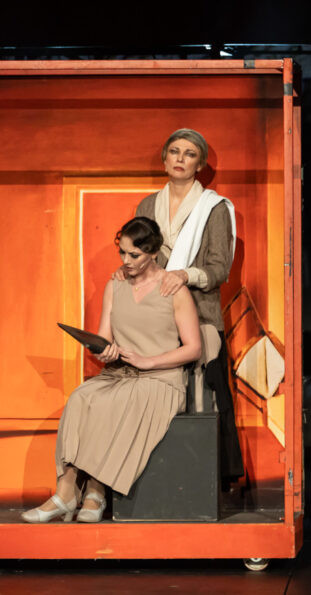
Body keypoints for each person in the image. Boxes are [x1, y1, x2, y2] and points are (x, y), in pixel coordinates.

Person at [22, 217, 201, 523]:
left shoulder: (174, 290)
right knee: (81, 397)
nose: (126, 261)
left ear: (153, 253)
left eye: (134, 255)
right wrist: (103, 350)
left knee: (114, 402)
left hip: (161, 380)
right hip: (121, 374)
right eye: (122, 253)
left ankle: (95, 492)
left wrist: (148, 361)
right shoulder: (115, 285)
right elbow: (104, 336)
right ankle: (66, 492)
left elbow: (193, 348)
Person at [123, 128, 244, 485]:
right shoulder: (148, 206)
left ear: (200, 164)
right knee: (155, 398)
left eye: (189, 154)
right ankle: (157, 481)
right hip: (156, 316)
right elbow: (138, 255)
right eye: (174, 151)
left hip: (200, 312)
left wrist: (184, 274)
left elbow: (219, 269)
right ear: (164, 159)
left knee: (204, 397)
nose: (180, 158)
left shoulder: (214, 208)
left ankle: (207, 482)